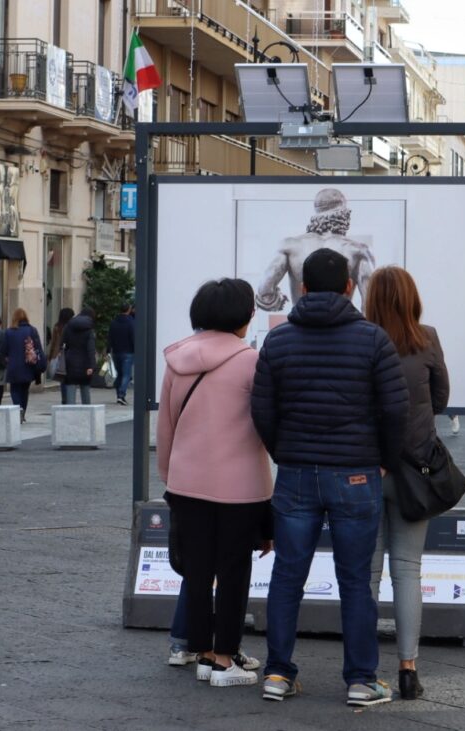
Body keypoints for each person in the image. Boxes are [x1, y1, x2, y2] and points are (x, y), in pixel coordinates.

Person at [251, 248, 408, 706]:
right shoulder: (373, 339)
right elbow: (396, 410)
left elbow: (261, 409)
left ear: (301, 288)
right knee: (356, 580)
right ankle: (361, 680)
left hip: (296, 473)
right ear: (346, 287)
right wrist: (383, 460)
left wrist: (284, 451)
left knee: (286, 577)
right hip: (357, 473)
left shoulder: (278, 342)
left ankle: (277, 674)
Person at [157, 278, 273, 688]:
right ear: (244, 316)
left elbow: (166, 426)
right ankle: (225, 659)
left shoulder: (176, 360)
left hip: (186, 482)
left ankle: (204, 654)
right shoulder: (251, 362)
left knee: (198, 571)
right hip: (240, 486)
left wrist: (171, 474)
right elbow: (264, 424)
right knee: (234, 570)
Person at [364, 266, 449, 702]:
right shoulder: (427, 336)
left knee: (367, 570)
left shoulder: (361, 338)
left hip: (366, 469)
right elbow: (440, 400)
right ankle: (408, 669)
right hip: (416, 471)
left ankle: (362, 671)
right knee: (408, 569)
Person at [255, 188, 376, 313]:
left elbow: (264, 291)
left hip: (301, 326)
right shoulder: (358, 251)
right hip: (341, 326)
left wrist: (277, 301)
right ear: (343, 214)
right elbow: (370, 304)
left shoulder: (289, 246)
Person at [0, 308, 45, 423]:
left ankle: (18, 409)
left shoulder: (9, 332)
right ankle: (23, 412)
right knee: (24, 390)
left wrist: (6, 360)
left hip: (13, 366)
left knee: (14, 389)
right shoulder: (32, 330)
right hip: (28, 366)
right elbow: (38, 348)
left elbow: (3, 350)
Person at [62, 307, 96, 405]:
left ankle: (70, 414)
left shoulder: (68, 326)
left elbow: (63, 343)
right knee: (85, 390)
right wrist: (92, 366)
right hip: (85, 364)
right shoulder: (89, 330)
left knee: (70, 389)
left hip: (70, 362)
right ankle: (87, 414)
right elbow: (91, 349)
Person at [108, 304, 135, 405]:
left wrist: (108, 350)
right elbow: (133, 337)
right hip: (128, 352)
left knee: (119, 374)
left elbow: (110, 337)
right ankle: (121, 395)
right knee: (126, 375)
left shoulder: (114, 322)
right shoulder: (131, 322)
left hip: (116, 352)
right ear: (128, 310)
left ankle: (118, 395)